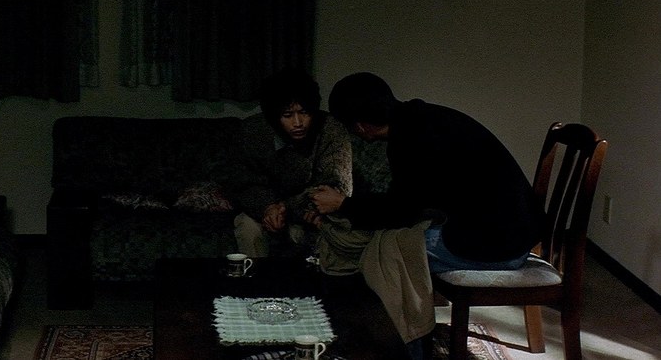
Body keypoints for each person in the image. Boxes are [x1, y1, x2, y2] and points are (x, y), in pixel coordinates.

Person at [310, 72, 545, 359]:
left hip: (499, 246)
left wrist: (343, 204)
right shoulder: (420, 118)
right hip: (511, 231)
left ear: (359, 126)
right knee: (391, 241)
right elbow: (412, 201)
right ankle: (398, 337)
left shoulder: (412, 140)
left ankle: (407, 349)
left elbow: (400, 210)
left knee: (387, 251)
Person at [229, 68, 368, 275]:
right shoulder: (252, 131)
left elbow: (336, 186)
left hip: (312, 212)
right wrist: (267, 208)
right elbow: (243, 182)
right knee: (247, 226)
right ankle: (257, 286)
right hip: (270, 211)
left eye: (304, 113)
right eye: (288, 115)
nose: (298, 123)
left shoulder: (331, 129)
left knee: (336, 227)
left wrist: (286, 207)